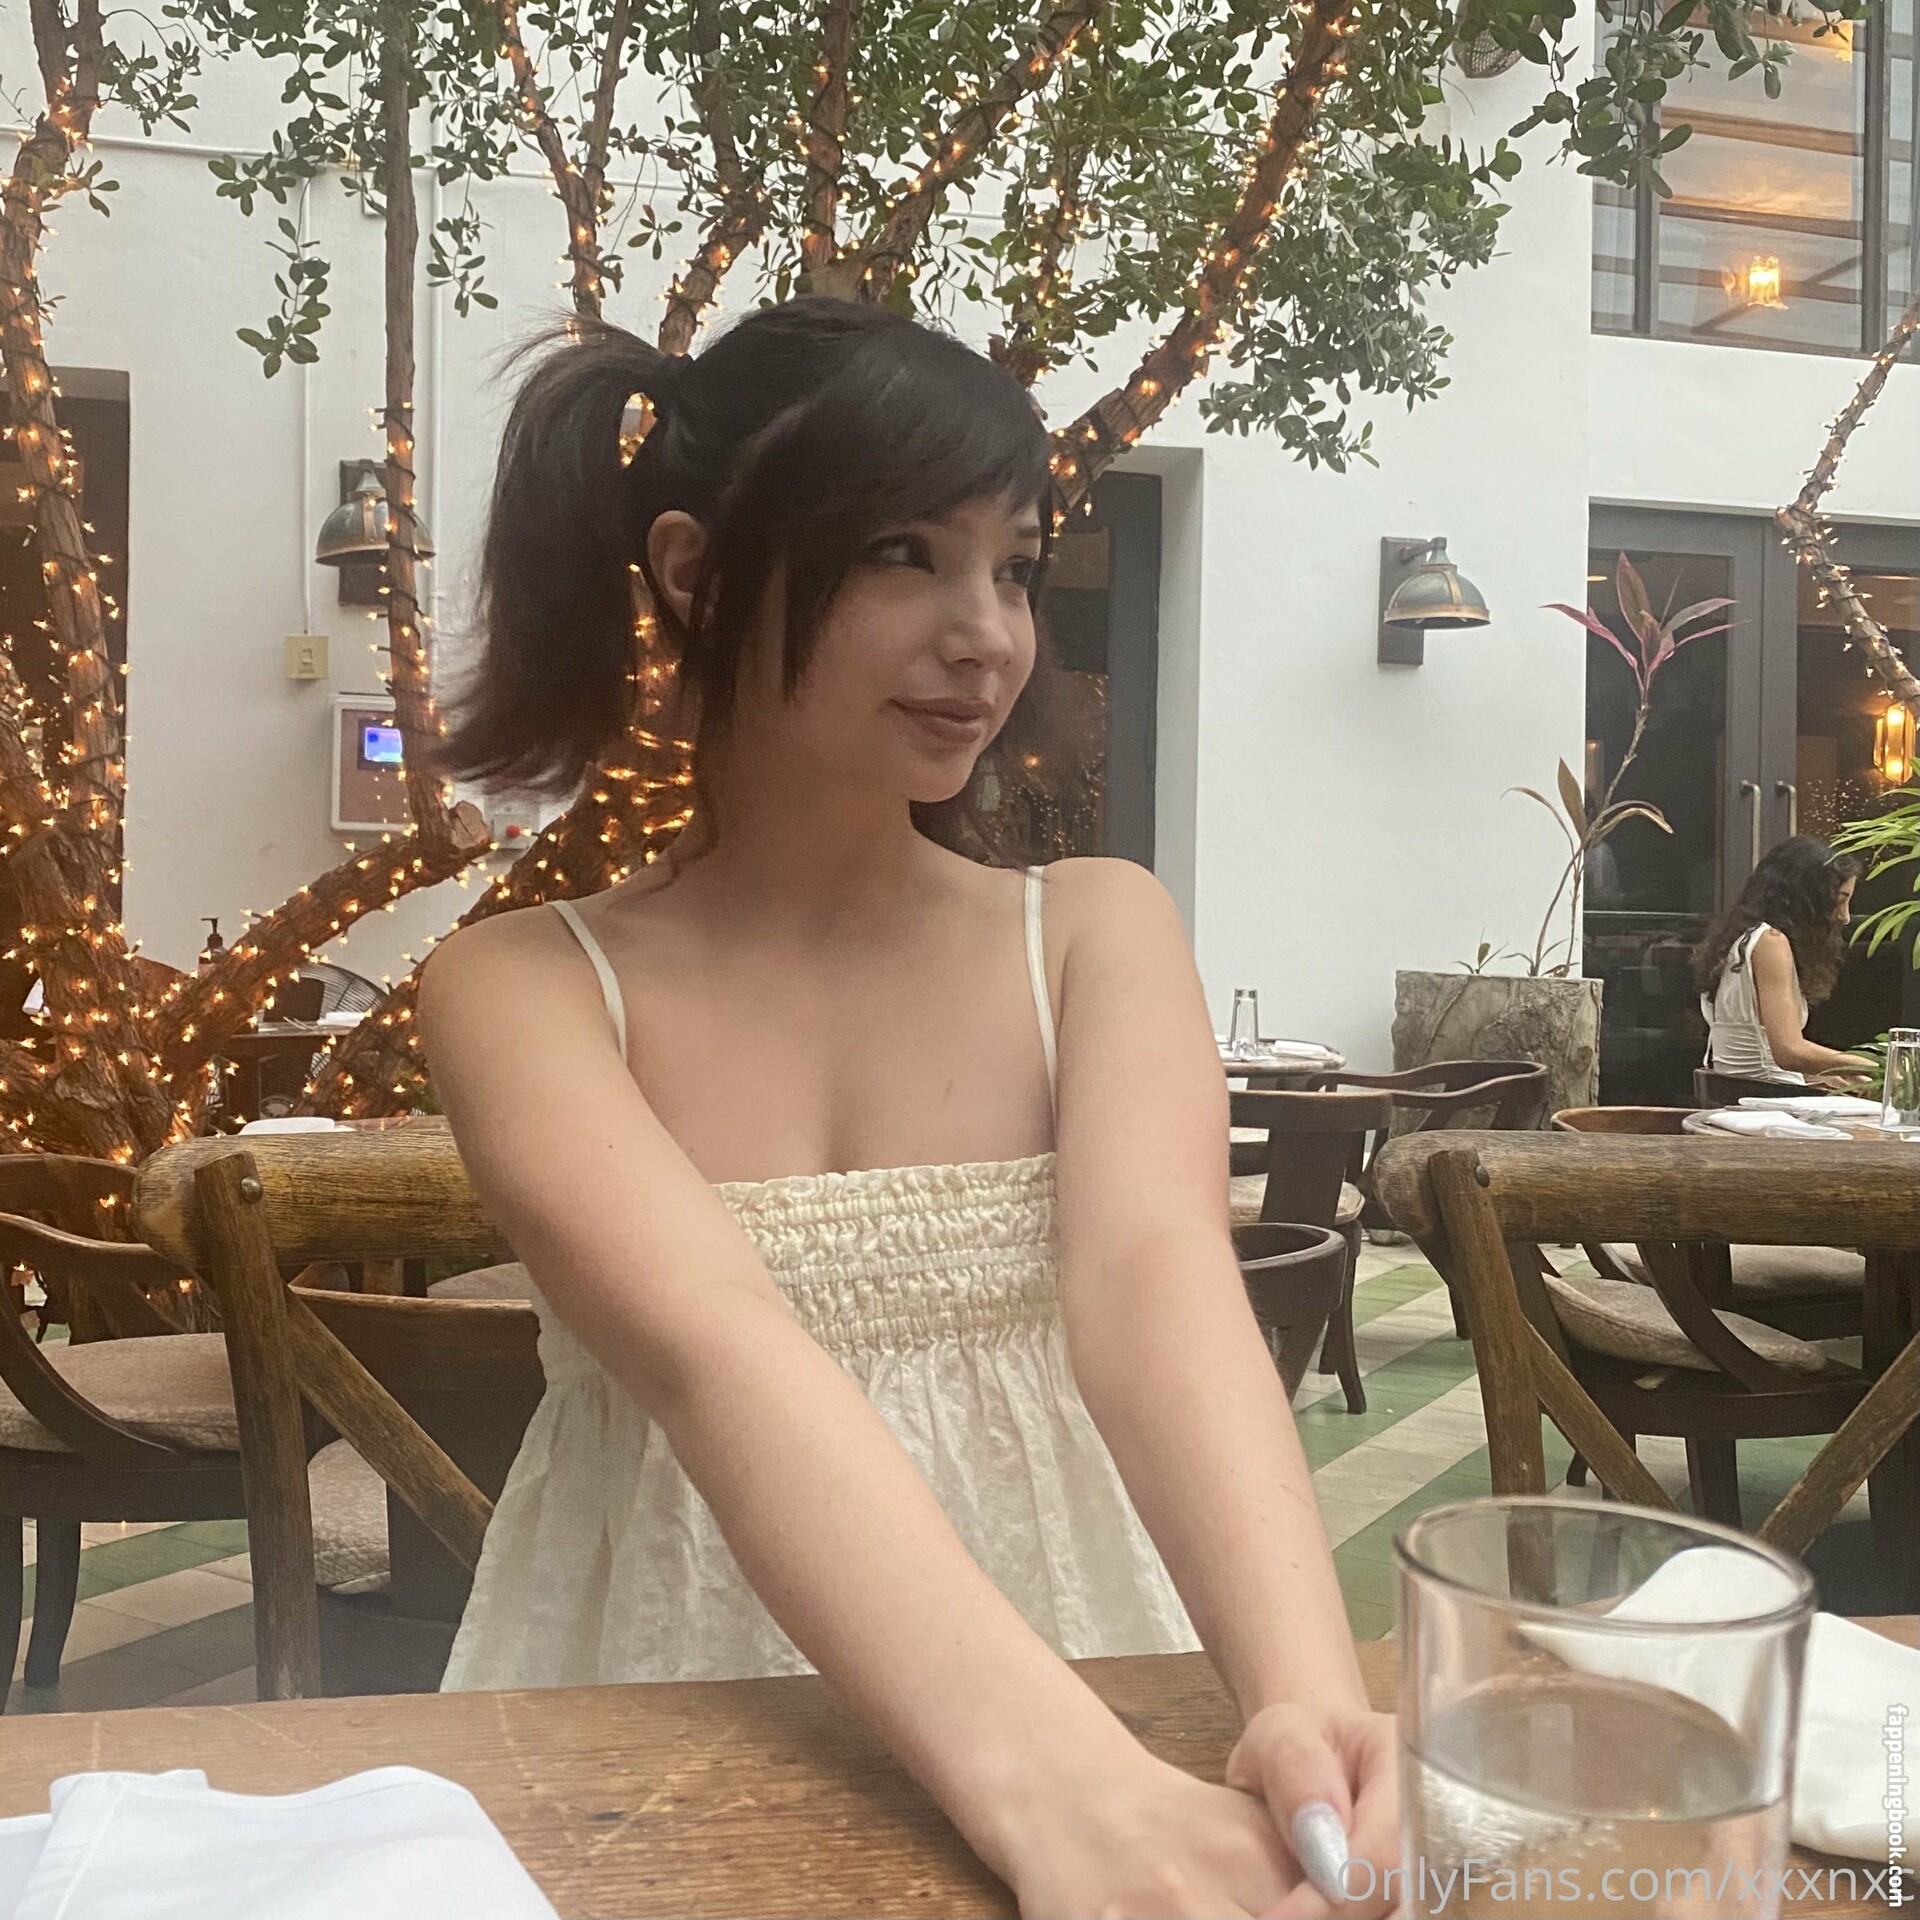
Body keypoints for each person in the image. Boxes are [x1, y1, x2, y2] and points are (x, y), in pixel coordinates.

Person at [419, 299, 1393, 1918]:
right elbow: (716, 1352)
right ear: (693, 572)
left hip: (1094, 1662)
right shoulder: (523, 988)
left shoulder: (1093, 933)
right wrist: (1058, 1791)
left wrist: (1308, 1702)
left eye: (1015, 567)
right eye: (903, 555)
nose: (985, 633)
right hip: (663, 1713)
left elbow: (1156, 1289)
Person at [1694, 834, 1872, 1085]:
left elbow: (1755, 1055)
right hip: (1768, 1098)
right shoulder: (1770, 942)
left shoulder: (1743, 939)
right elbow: (1789, 1052)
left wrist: (1830, 1079)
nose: (1845, 916)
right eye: (1840, 901)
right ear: (1809, 895)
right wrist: (1875, 1065)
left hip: (1748, 1092)